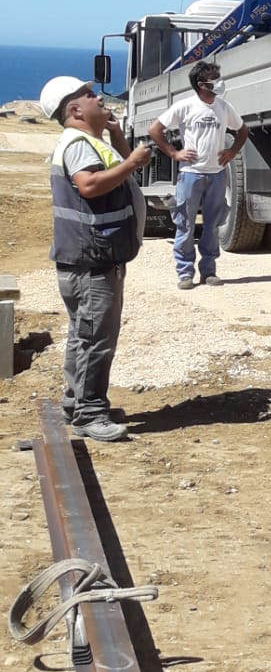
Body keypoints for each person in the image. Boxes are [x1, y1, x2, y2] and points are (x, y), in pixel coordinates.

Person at [39, 75, 152, 442]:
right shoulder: (77, 145)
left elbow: (118, 167)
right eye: (89, 95)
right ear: (75, 110)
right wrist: (131, 162)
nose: (99, 97)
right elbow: (89, 185)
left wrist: (118, 137)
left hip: (93, 258)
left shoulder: (91, 142)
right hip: (91, 261)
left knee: (83, 336)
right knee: (95, 341)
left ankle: (76, 403)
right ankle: (89, 414)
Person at [148, 62, 248, 290]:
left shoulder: (224, 107)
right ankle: (185, 273)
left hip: (217, 175)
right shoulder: (185, 106)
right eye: (214, 79)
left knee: (212, 225)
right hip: (191, 175)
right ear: (201, 84)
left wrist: (232, 151)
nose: (219, 82)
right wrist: (174, 153)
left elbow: (242, 130)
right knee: (185, 225)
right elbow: (155, 129)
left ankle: (209, 271)